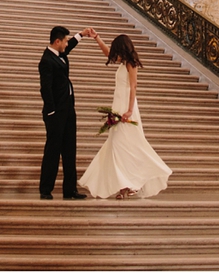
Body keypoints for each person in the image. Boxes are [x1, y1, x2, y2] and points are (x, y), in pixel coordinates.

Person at [80, 32, 172, 200]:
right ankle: (125, 185)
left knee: (126, 145)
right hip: (118, 106)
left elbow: (133, 87)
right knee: (117, 145)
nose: (115, 53)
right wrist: (96, 38)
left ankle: (129, 184)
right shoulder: (122, 63)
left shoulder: (131, 64)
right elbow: (108, 53)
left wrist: (129, 110)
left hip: (127, 108)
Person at [38, 25, 93, 200]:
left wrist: (82, 35)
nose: (66, 44)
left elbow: (69, 47)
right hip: (56, 113)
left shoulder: (59, 54)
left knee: (70, 150)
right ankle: (46, 189)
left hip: (68, 110)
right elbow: (45, 89)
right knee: (53, 151)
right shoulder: (46, 61)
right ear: (57, 41)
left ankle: (70, 190)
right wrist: (52, 111)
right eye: (65, 41)